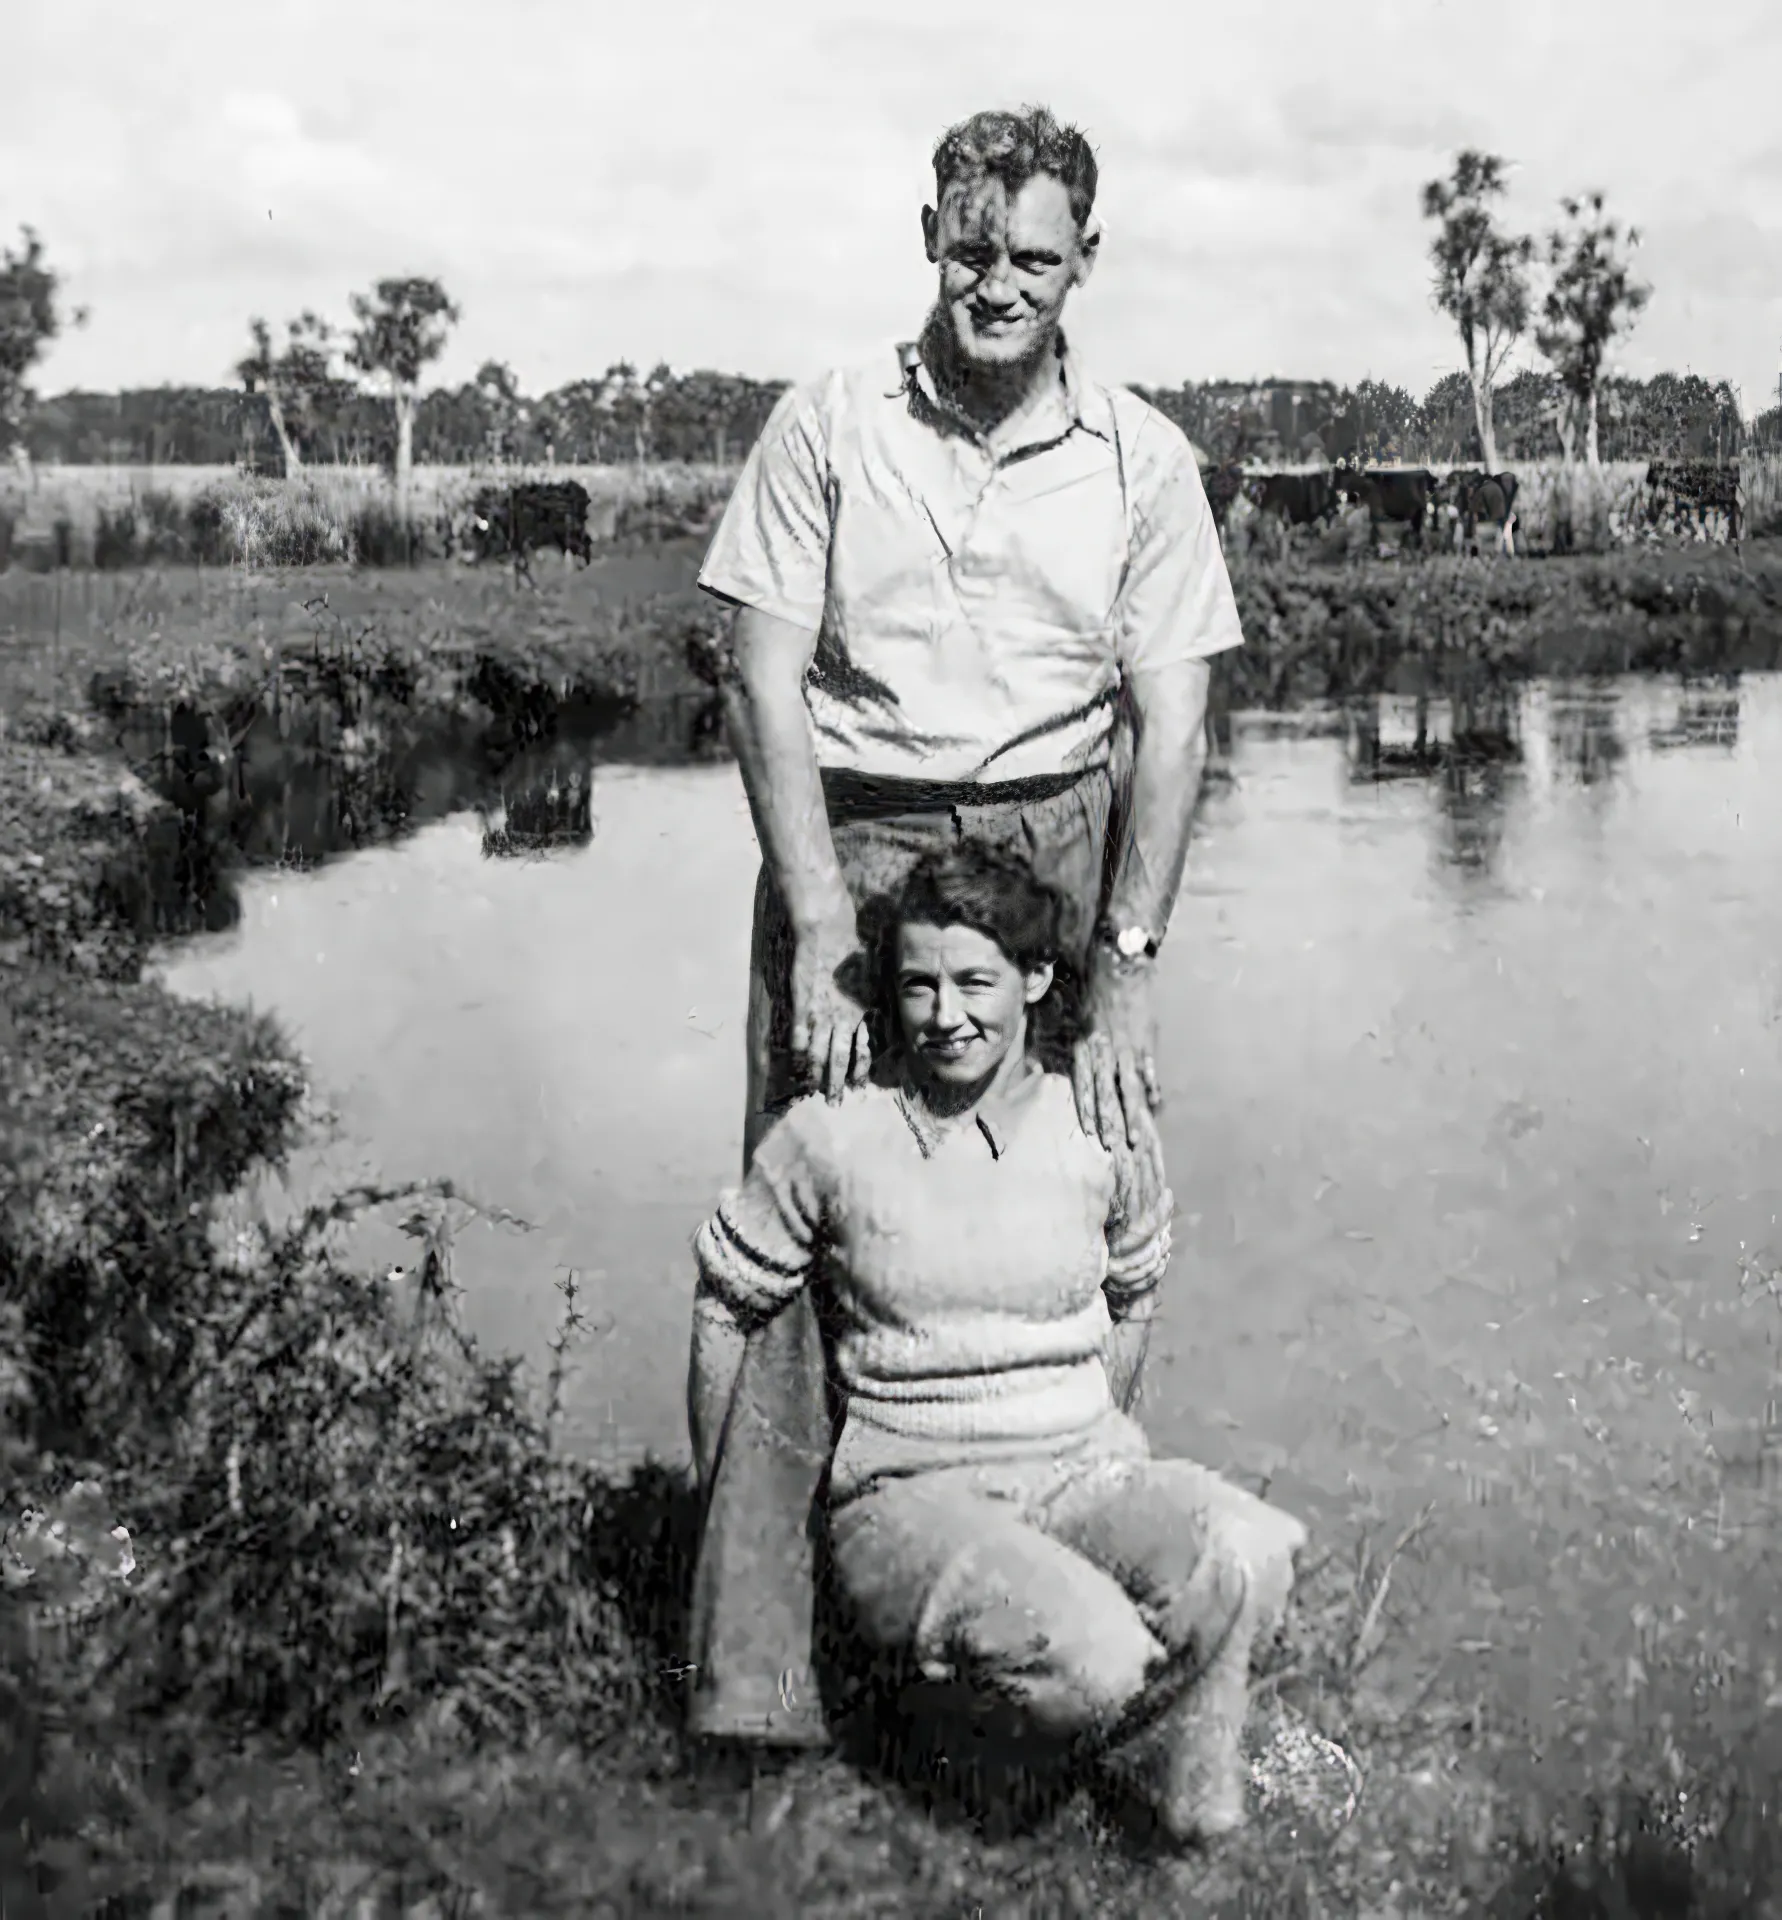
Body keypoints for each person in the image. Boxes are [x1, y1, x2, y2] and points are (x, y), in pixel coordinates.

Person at [686, 102, 1247, 1750]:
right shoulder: (830, 422)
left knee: (1087, 1204)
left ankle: (1041, 1593)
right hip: (854, 843)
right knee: (807, 1227)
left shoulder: (1143, 457)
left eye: (1033, 256)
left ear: (1085, 260)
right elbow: (759, 678)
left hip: (1057, 857)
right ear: (926, 235)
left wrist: (1126, 972)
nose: (996, 283)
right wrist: (810, 917)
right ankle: (764, 1686)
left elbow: (1178, 723)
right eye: (970, 247)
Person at [690, 847, 1308, 1843]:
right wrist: (717, 1495)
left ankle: (1188, 1815)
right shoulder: (833, 1134)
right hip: (908, 1498)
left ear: (1036, 980)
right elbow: (724, 1309)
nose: (946, 1015)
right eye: (919, 985)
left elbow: (1134, 1294)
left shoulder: (1099, 1123)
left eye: (975, 981)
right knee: (1095, 1657)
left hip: (1078, 1475)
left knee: (1249, 1553)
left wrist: (1098, 1448)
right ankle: (956, 1757)